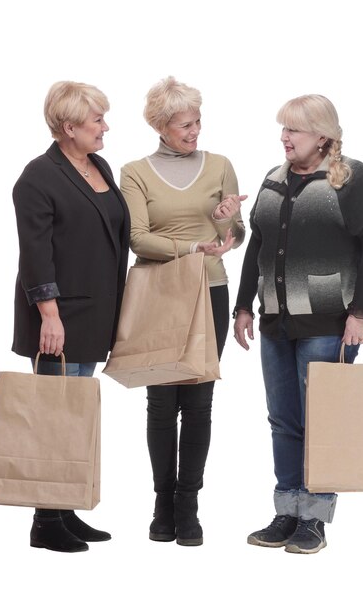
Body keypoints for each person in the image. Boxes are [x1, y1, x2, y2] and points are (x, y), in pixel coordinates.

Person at [234, 94, 363, 554]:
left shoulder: (352, 178)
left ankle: (315, 519)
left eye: (294, 130)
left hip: (329, 324)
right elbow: (256, 247)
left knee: (322, 421)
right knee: (283, 420)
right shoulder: (273, 179)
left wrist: (360, 313)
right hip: (276, 324)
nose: (284, 137)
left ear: (322, 136)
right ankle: (287, 510)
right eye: (282, 128)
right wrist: (244, 306)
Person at [120, 76, 246, 546]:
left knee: (198, 405)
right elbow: (137, 237)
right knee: (160, 404)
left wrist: (225, 221)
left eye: (197, 121)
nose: (194, 131)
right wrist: (193, 244)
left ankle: (188, 505)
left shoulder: (220, 165)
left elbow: (236, 237)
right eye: (183, 125)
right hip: (159, 293)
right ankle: (161, 504)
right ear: (160, 126)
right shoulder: (135, 170)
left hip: (209, 291)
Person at [12, 81, 131, 553]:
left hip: (95, 313)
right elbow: (34, 255)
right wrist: (49, 316)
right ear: (68, 128)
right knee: (52, 418)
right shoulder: (37, 177)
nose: (105, 127)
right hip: (58, 320)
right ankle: (45, 523)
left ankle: (65, 509)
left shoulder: (96, 166)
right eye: (97, 120)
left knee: (77, 418)